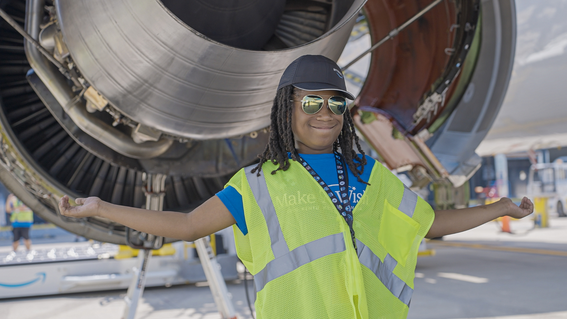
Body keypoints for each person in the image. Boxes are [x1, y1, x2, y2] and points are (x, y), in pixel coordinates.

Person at [59, 55, 533, 318]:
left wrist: (499, 209)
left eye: (335, 103)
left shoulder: (369, 174)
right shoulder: (257, 184)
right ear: (287, 109)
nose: (325, 113)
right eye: (312, 102)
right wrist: (102, 207)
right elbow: (185, 225)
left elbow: (428, 223)